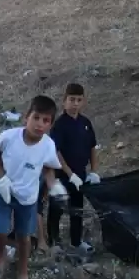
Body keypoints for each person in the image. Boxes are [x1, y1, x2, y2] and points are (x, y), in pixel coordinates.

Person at [0, 95, 63, 279]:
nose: (40, 124)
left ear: (50, 125)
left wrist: (54, 186)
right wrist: (2, 176)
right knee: (0, 231)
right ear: (26, 118)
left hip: (28, 197)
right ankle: (2, 254)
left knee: (24, 237)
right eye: (36, 118)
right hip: (4, 192)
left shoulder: (48, 146)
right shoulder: (9, 137)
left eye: (45, 121)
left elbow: (49, 168)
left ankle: (22, 270)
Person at [48, 83, 100, 253]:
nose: (75, 103)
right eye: (72, 100)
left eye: (78, 100)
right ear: (64, 101)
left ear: (83, 101)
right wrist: (69, 173)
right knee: (57, 208)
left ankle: (76, 242)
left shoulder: (86, 123)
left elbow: (92, 147)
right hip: (61, 175)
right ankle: (53, 241)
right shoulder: (60, 124)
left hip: (81, 173)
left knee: (77, 209)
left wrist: (94, 171)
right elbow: (56, 151)